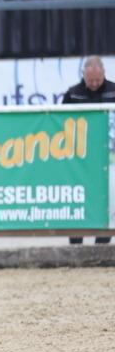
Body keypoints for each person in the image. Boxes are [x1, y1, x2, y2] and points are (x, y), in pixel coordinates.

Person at [61, 55, 114, 245]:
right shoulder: (72, 94)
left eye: (97, 80)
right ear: (83, 74)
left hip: (108, 159)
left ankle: (102, 244)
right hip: (80, 159)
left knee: (107, 201)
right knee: (77, 199)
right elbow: (61, 123)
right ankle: (75, 245)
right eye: (90, 80)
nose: (93, 83)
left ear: (104, 73)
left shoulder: (113, 91)